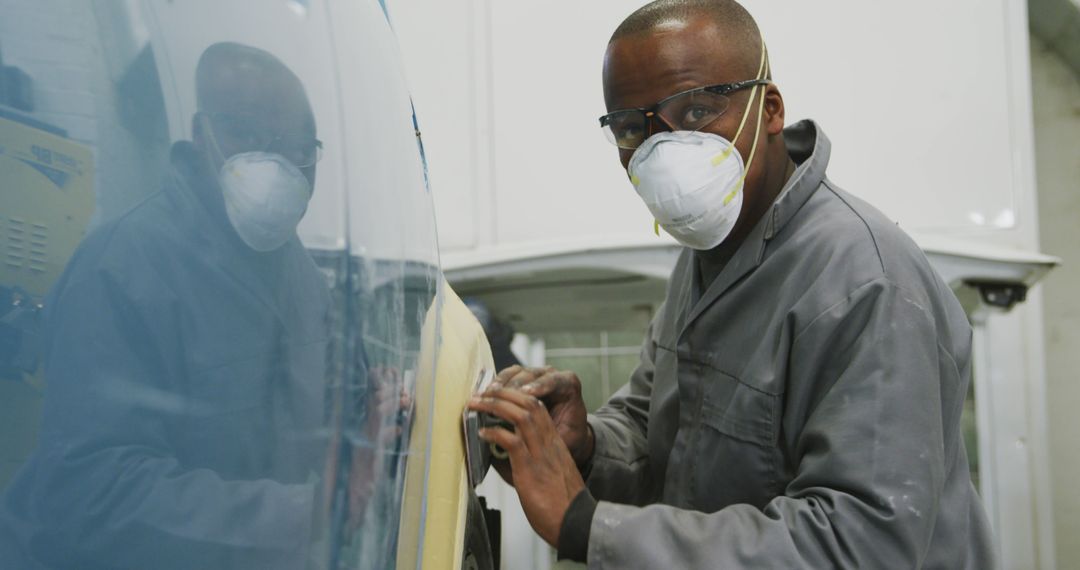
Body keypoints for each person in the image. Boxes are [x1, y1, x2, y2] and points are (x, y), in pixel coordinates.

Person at [467, 1, 996, 567]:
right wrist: (586, 446)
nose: (661, 150)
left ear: (769, 108)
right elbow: (661, 434)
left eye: (696, 112)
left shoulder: (866, 281)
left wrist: (587, 525)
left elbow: (860, 545)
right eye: (630, 128)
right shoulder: (707, 256)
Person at [0, 43, 336, 569]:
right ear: (202, 135)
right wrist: (306, 514)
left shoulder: (304, 279)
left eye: (296, 146)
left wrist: (384, 414)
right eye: (245, 133)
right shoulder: (121, 268)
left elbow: (326, 404)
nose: (275, 162)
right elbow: (93, 496)